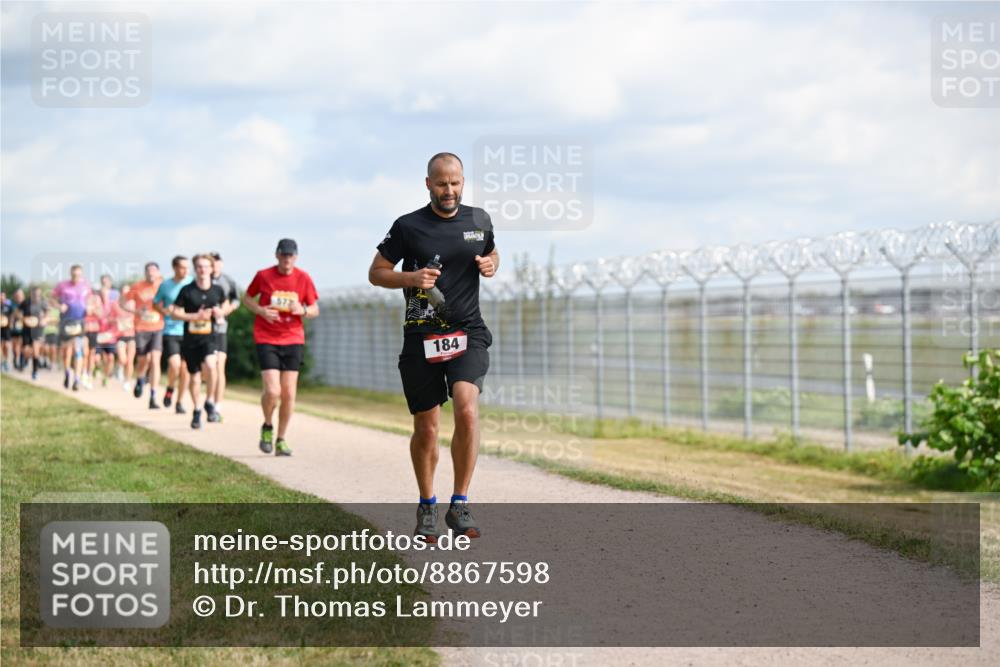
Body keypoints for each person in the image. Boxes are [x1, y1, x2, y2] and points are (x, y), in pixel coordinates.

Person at [368, 152, 499, 541]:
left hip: (467, 331)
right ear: (428, 184)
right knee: (426, 428)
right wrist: (412, 277)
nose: (449, 190)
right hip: (422, 333)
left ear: (463, 182)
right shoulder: (408, 226)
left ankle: (459, 503)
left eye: (456, 182)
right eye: (441, 183)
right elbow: (376, 273)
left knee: (467, 409)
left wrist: (493, 263)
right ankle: (427, 504)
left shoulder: (479, 220)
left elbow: (490, 251)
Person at [242, 238, 319, 456]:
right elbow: (247, 298)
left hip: (293, 338)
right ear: (277, 255)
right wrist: (261, 310)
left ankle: (281, 439)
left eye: (291, 255)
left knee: (288, 393)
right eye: (283, 255)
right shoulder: (263, 275)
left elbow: (314, 309)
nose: (287, 259)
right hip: (266, 336)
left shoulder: (303, 278)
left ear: (296, 257)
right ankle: (267, 425)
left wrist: (302, 310)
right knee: (273, 390)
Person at [170, 254, 227, 429]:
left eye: (206, 266)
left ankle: (210, 400)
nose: (203, 270)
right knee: (194, 378)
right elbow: (174, 312)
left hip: (209, 338)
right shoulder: (187, 290)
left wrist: (220, 313)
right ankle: (197, 409)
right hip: (190, 340)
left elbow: (225, 306)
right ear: (196, 269)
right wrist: (194, 316)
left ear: (211, 269)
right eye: (200, 267)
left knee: (211, 365)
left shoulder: (217, 291)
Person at [153, 255, 193, 414]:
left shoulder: (192, 283)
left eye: (187, 267)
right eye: (182, 267)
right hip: (170, 330)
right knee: (175, 365)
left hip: (189, 330)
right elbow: (155, 302)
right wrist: (163, 311)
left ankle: (180, 401)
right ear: (175, 268)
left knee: (186, 369)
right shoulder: (165, 285)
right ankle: (170, 387)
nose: (185, 270)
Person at [123, 262, 164, 408]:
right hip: (141, 328)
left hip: (158, 327)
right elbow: (122, 302)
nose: (152, 274)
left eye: (154, 271)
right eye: (149, 271)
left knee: (155, 359)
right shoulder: (137, 287)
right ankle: (140, 379)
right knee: (143, 360)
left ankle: (153, 396)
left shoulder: (163, 285)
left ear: (158, 273)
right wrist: (135, 312)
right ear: (145, 273)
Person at [209, 252, 240, 416]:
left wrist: (225, 310)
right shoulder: (200, 282)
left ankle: (217, 404)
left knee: (220, 365)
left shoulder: (228, 281)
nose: (213, 266)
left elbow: (236, 300)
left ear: (221, 263)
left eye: (216, 262)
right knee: (208, 368)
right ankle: (207, 399)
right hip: (203, 330)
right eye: (210, 263)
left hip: (220, 329)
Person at [52, 265, 92, 391]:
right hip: (66, 321)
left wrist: (89, 307)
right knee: (66, 351)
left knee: (77, 349)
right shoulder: (62, 285)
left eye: (78, 275)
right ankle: (67, 372)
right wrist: (59, 306)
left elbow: (91, 300)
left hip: (80, 321)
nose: (76, 277)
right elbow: (51, 299)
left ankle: (77, 379)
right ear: (70, 274)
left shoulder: (86, 285)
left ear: (81, 275)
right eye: (74, 275)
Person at [19, 286, 47, 380]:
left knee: (36, 351)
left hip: (37, 330)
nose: (36, 296)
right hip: (26, 330)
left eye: (38, 294)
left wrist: (44, 319)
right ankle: (26, 358)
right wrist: (23, 319)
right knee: (26, 350)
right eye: (34, 294)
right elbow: (17, 313)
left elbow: (48, 312)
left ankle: (35, 371)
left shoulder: (43, 303)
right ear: (31, 294)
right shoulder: (25, 302)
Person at [43, 299, 60, 370]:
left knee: (53, 349)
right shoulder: (46, 311)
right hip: (45, 332)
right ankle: (46, 360)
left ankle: (52, 363)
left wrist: (49, 321)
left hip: (54, 332)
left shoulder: (57, 311)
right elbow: (44, 321)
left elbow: (58, 321)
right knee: (46, 349)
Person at [1, 291, 12, 372]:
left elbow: (12, 316)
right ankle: (1, 362)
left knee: (7, 346)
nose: (1, 297)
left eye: (3, 296)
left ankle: (6, 361)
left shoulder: (8, 306)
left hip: (6, 329)